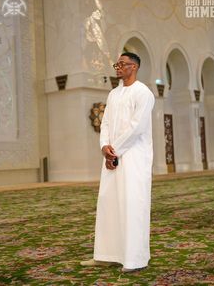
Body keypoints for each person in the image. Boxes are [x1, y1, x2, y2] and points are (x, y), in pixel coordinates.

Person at [81, 52, 155, 273]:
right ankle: (106, 255)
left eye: (122, 64)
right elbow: (106, 123)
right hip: (113, 157)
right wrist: (104, 147)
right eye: (117, 64)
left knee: (132, 205)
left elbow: (137, 127)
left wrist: (115, 153)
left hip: (133, 158)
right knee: (109, 203)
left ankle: (135, 259)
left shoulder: (144, 93)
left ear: (134, 67)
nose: (118, 68)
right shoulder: (114, 94)